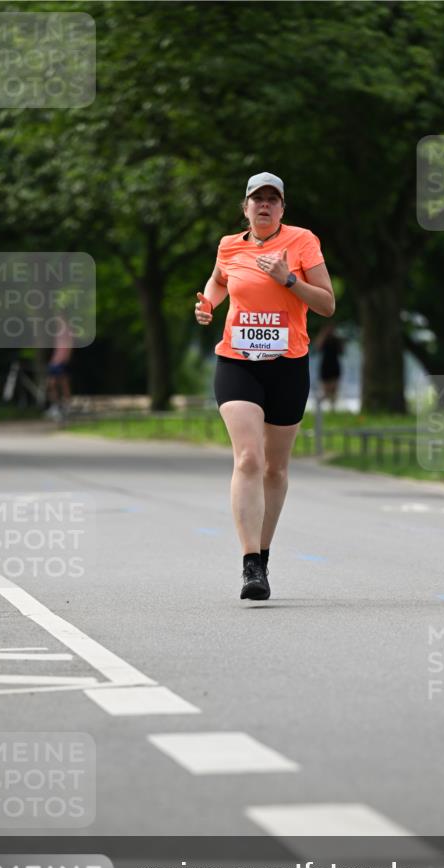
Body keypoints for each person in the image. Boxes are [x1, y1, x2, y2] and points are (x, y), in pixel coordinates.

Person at [194, 171, 335, 600]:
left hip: (288, 364)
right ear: (246, 207)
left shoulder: (302, 242)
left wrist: (287, 278)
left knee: (275, 468)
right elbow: (218, 282)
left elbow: (327, 304)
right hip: (237, 362)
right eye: (258, 199)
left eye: (273, 200)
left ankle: (265, 554)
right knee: (249, 459)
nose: (265, 206)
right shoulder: (228, 245)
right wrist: (207, 305)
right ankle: (250, 564)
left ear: (282, 209)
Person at [45, 312, 74, 420]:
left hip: (61, 362)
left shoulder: (67, 330)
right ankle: (56, 407)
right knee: (52, 384)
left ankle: (67, 407)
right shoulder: (58, 332)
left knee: (63, 385)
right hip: (55, 362)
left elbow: (69, 346)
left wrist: (65, 360)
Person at [314, 324, 344, 410]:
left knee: (334, 391)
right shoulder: (324, 340)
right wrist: (323, 334)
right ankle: (321, 407)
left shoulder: (336, 340)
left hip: (335, 366)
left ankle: (332, 408)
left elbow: (342, 351)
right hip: (325, 366)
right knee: (326, 391)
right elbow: (317, 346)